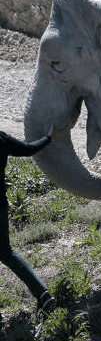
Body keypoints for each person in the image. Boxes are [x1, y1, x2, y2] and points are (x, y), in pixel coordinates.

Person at [1, 130, 55, 312]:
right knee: (7, 253)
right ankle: (42, 293)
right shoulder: (1, 137)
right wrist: (48, 137)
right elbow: (28, 149)